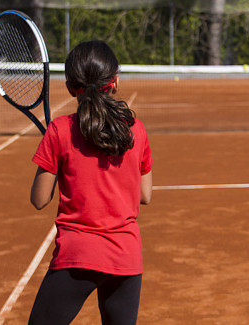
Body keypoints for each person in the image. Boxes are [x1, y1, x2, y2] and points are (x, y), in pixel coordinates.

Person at [28, 41, 152, 325]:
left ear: (71, 87)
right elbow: (145, 195)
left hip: (77, 257)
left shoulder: (58, 131)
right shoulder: (138, 130)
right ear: (115, 82)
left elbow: (39, 199)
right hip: (125, 257)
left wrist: (53, 155)